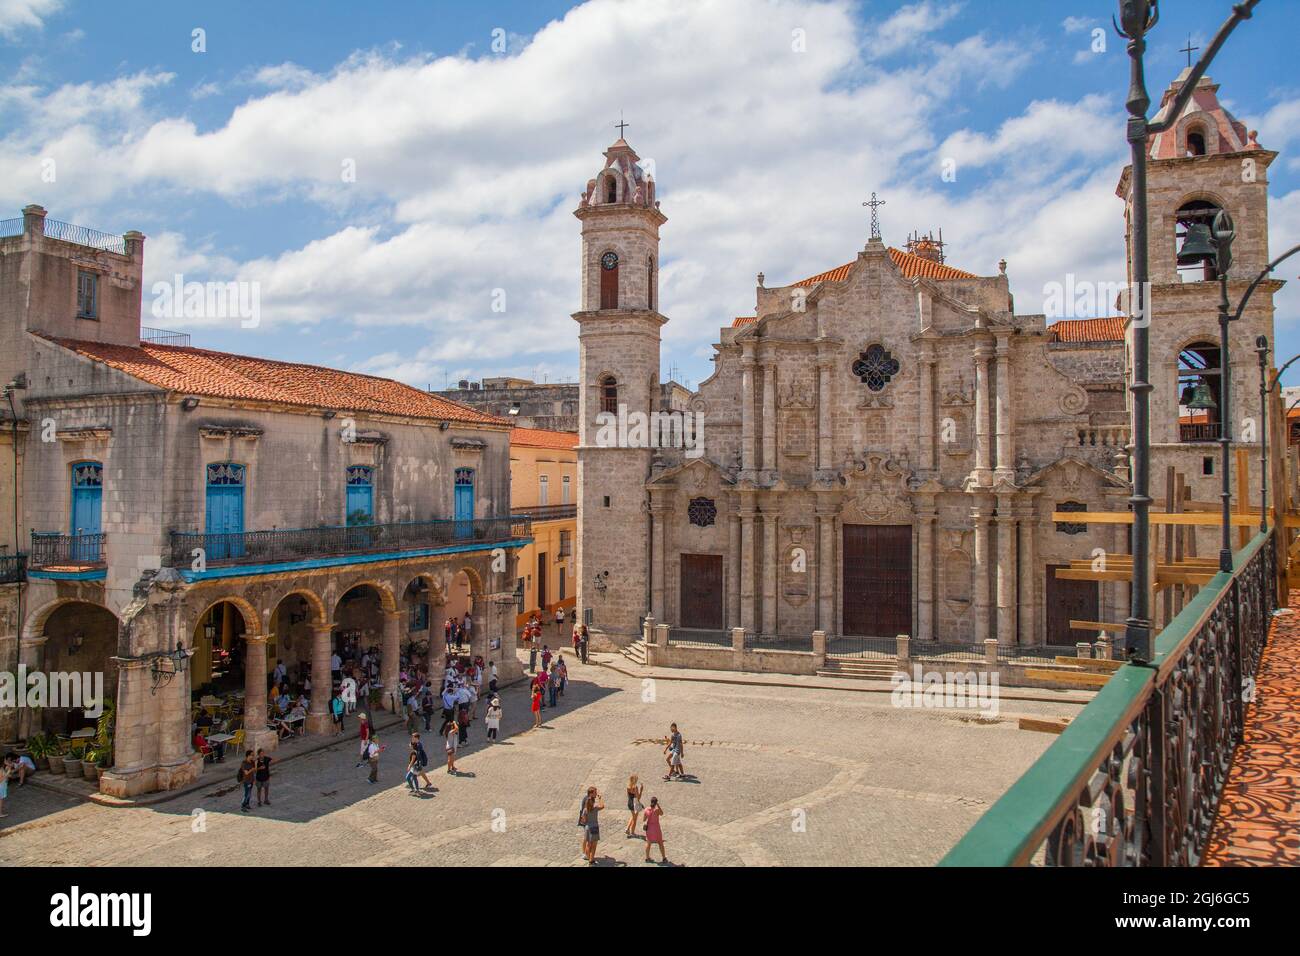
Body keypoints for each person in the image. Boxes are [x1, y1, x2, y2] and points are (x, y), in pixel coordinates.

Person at [580, 787, 604, 865]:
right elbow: (602, 806)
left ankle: (587, 856)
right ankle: (591, 859)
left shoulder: (585, 810)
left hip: (587, 828)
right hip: (594, 828)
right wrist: (600, 798)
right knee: (594, 845)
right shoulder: (595, 809)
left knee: (588, 844)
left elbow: (583, 820)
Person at [643, 797, 668, 864]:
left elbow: (644, 819)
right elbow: (662, 813)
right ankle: (664, 858)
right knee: (660, 843)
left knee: (648, 843)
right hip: (656, 828)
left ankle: (647, 858)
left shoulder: (646, 810)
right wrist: (658, 805)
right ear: (656, 802)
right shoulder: (656, 810)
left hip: (649, 829)